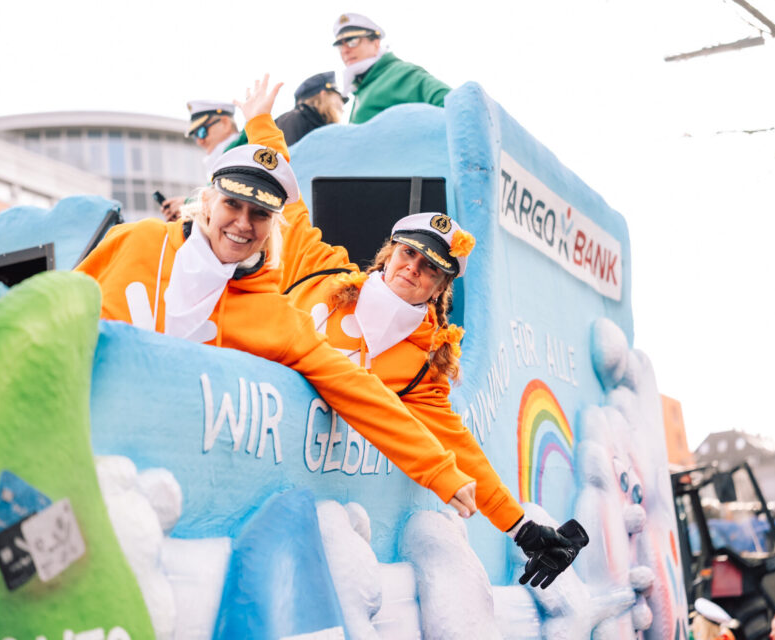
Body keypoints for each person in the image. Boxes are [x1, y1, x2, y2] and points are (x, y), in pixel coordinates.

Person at [76, 77, 483, 523]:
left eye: (260, 214)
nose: (243, 223)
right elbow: (54, 306)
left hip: (167, 502)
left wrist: (447, 477)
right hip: (74, 452)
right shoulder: (137, 241)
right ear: (208, 201)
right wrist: (259, 121)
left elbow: (362, 394)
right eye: (233, 205)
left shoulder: (272, 313)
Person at [240, 76, 588, 587]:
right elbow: (287, 203)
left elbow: (459, 452)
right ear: (389, 252)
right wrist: (258, 122)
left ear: (441, 287)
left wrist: (521, 528)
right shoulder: (321, 269)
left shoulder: (421, 364)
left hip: (296, 498)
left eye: (430, 267)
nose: (414, 269)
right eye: (409, 254)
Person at [332, 13, 451, 125]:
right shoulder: (362, 88)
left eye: (353, 41)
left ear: (376, 43)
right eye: (340, 46)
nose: (345, 51)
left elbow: (454, 103)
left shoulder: (401, 73)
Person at [226, 72, 347, 152]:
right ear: (324, 94)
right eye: (340, 99)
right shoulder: (296, 119)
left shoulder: (310, 120)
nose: (342, 106)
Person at [161, 100, 241, 221]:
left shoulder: (241, 154)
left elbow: (229, 200)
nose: (199, 141)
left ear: (225, 123)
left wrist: (188, 205)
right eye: (195, 136)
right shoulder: (227, 159)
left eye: (202, 132)